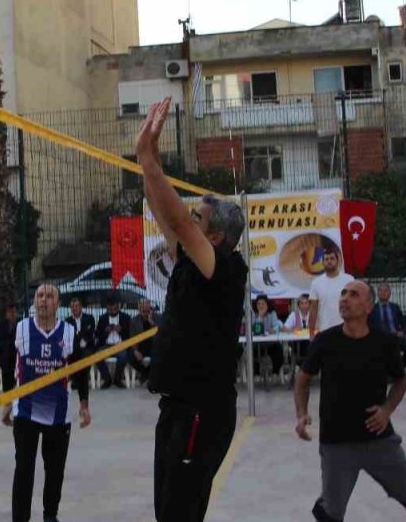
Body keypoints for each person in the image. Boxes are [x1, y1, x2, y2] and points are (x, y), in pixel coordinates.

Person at [137, 98, 247, 522]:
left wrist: (151, 161)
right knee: (169, 511)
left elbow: (179, 221)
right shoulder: (190, 258)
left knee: (179, 513)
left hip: (205, 411)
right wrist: (147, 156)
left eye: (199, 219)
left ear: (215, 236)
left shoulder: (225, 270)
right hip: (177, 406)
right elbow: (165, 215)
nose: (189, 219)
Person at [294, 280, 406, 522]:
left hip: (380, 441)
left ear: (369, 306)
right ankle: (325, 504)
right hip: (337, 444)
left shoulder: (385, 342)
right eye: (343, 294)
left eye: (354, 295)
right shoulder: (325, 341)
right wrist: (301, 413)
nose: (344, 298)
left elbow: (400, 381)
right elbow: (302, 380)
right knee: (331, 515)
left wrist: (387, 409)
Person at [4, 284, 92, 522]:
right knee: (23, 469)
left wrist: (84, 404)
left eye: (49, 296)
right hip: (25, 411)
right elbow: (7, 365)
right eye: (39, 296)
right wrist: (5, 402)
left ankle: (50, 515)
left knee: (54, 471)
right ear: (34, 302)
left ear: (58, 304)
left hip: (58, 413)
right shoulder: (21, 329)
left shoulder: (68, 332)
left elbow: (80, 371)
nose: (44, 300)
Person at [307, 237, 354, 334]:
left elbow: (355, 305)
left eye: (332, 258)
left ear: (338, 261)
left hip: (347, 330)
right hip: (325, 330)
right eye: (326, 259)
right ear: (323, 263)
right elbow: (313, 310)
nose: (329, 261)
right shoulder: (316, 283)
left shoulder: (349, 280)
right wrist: (311, 333)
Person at [370, 284, 406, 367]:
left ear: (390, 293)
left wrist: (402, 332)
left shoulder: (395, 307)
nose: (383, 293)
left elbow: (404, 324)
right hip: (380, 338)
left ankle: (398, 367)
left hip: (396, 337)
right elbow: (370, 326)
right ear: (377, 293)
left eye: (385, 290)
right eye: (380, 290)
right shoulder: (373, 309)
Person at [94, 295, 132, 388]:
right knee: (97, 356)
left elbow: (130, 336)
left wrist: (121, 330)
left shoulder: (125, 317)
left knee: (123, 356)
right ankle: (107, 379)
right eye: (110, 310)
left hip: (120, 345)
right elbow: (98, 336)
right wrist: (106, 332)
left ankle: (117, 379)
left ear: (118, 307)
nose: (112, 311)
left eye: (114, 309)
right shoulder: (102, 318)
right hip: (107, 345)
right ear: (107, 308)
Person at [249, 294, 284, 377]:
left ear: (267, 305)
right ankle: (256, 374)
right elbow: (253, 329)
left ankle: (275, 373)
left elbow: (277, 325)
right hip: (257, 344)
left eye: (263, 304)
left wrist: (274, 330)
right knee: (252, 352)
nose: (260, 306)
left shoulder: (272, 313)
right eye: (258, 304)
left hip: (270, 342)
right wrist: (260, 316)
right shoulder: (253, 314)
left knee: (279, 349)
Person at [0, 302, 20, 392]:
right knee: (7, 390)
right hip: (5, 362)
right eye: (10, 312)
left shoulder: (20, 325)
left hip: (17, 361)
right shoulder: (0, 327)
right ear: (7, 314)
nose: (12, 314)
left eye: (14, 312)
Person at [129, 299, 158, 384]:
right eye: (141, 309)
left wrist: (152, 323)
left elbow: (161, 335)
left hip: (154, 345)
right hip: (140, 346)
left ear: (150, 309)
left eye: (146, 309)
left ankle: (146, 374)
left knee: (161, 355)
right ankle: (146, 372)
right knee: (130, 356)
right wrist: (135, 351)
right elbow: (132, 338)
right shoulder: (134, 320)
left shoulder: (157, 317)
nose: (144, 311)